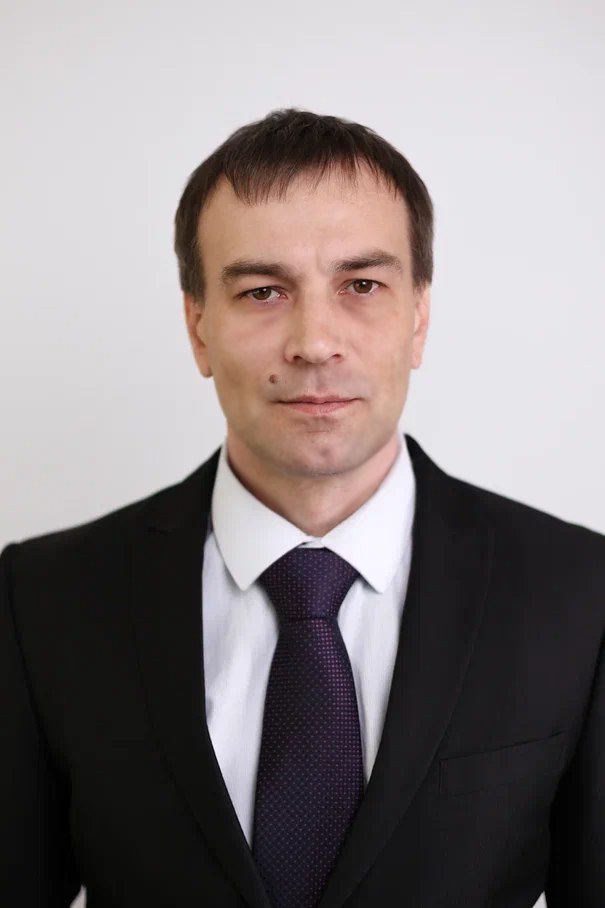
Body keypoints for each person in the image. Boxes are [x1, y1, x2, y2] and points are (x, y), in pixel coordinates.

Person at [1, 108, 603, 908]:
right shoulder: (42, 598)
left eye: (361, 285)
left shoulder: (580, 591)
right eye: (261, 291)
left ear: (418, 318)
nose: (315, 342)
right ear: (198, 327)